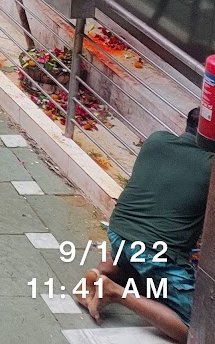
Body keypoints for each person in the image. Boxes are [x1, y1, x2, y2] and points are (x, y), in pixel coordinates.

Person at [77, 108, 211, 340]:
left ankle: (108, 270)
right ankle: (114, 291)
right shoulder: (211, 166)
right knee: (199, 329)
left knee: (141, 264)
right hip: (155, 253)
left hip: (119, 233)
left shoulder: (156, 139)